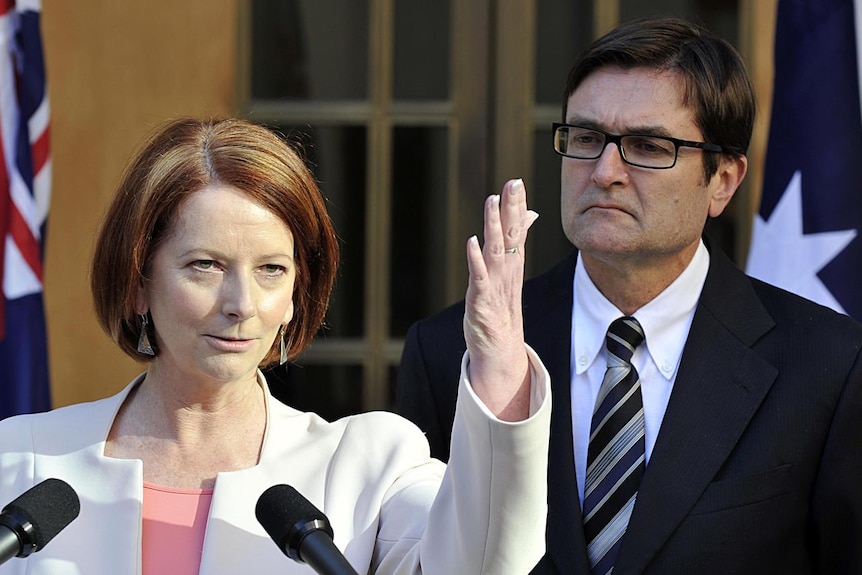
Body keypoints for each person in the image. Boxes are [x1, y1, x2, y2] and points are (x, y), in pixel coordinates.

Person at [396, 16, 862, 575]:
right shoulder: (450, 352)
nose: (605, 171)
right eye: (587, 139)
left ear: (723, 181)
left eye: (647, 145)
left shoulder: (828, 365)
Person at [0, 117, 551, 575]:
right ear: (138, 282)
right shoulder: (19, 460)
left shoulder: (369, 464)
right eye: (205, 266)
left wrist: (498, 365)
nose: (242, 303)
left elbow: (484, 563)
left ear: (294, 296)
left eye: (271, 270)